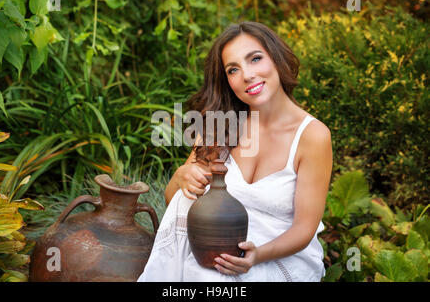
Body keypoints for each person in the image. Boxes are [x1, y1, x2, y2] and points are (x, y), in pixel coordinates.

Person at [137, 21, 333, 282]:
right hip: (218, 255)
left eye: (255, 59)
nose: (247, 75)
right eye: (233, 69)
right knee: (203, 258)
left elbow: (304, 230)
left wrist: (257, 255)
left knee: (211, 279)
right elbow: (176, 201)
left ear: (276, 58)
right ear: (227, 80)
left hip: (276, 257)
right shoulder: (222, 126)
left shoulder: (312, 135)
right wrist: (182, 176)